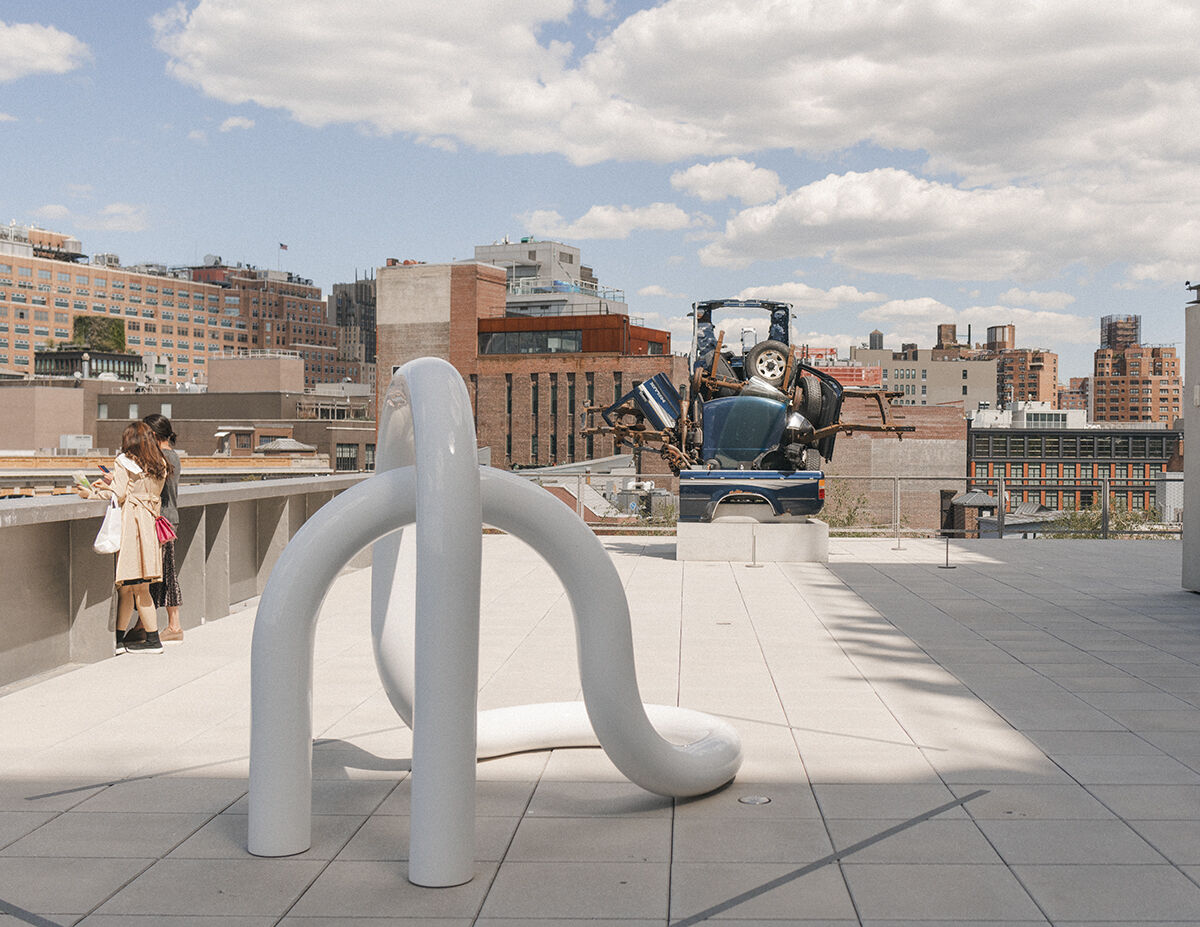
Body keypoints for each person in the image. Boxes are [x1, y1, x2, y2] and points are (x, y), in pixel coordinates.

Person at [77, 421, 170, 654]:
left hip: (134, 525)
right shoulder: (160, 463)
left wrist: (92, 494)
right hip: (150, 524)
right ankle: (120, 640)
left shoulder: (123, 461)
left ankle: (151, 640)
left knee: (135, 587)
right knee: (132, 585)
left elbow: (119, 495)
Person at [144, 413, 184, 644]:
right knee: (165, 570)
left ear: (155, 435)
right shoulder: (173, 456)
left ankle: (173, 625)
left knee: (163, 572)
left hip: (162, 520)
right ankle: (166, 624)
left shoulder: (162, 458)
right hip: (170, 519)